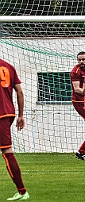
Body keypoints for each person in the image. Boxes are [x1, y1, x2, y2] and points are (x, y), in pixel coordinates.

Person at [0, 59, 30, 200]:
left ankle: (22, 192)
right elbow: (19, 92)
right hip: (8, 113)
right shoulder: (9, 66)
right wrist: (20, 115)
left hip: (1, 113)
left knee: (7, 151)